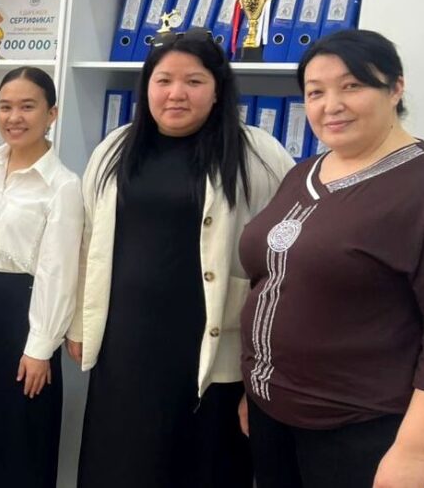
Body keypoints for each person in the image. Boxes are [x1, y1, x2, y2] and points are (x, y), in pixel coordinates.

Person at [67, 28, 294, 487]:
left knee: (203, 463)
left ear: (218, 89)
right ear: (146, 86)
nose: (176, 93)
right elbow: (88, 240)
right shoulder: (115, 148)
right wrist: (78, 325)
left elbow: (285, 252)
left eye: (194, 81)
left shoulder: (257, 154)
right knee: (121, 461)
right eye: (163, 80)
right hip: (125, 343)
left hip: (210, 343)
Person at [239, 29, 424, 488]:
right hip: (272, 413)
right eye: (315, 92)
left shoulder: (418, 183)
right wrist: (256, 389)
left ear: (396, 87)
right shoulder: (304, 171)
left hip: (364, 428)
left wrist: (415, 452)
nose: (331, 105)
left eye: (352, 86)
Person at [0, 66, 83, 487]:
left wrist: (40, 348)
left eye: (27, 107)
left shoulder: (62, 185)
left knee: (19, 427)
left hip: (25, 315)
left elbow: (58, 272)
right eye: (5, 107)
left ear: (51, 114)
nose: (14, 117)